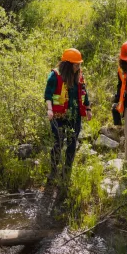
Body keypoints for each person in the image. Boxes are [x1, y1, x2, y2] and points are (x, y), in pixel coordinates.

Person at [44, 48, 92, 184]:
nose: (78, 67)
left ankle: (67, 173)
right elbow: (47, 94)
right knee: (58, 142)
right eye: (76, 64)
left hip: (74, 116)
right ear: (67, 64)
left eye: (79, 64)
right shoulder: (55, 75)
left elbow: (84, 93)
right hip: (58, 115)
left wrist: (88, 108)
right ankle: (53, 171)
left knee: (72, 144)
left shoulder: (79, 75)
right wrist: (49, 109)